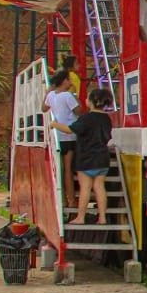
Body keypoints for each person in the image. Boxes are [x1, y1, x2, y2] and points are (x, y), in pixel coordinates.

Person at [52, 88, 114, 226]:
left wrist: (54, 124)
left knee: (85, 188)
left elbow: (70, 130)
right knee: (99, 187)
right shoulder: (106, 119)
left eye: (87, 98)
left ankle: (80, 217)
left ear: (92, 102)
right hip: (102, 159)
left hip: (86, 159)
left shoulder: (86, 118)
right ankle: (102, 217)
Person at [44, 69, 81, 209]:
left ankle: (63, 200)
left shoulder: (52, 95)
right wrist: (74, 95)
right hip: (69, 136)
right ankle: (71, 200)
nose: (70, 82)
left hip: (57, 136)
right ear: (64, 81)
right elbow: (79, 111)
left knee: (59, 169)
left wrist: (48, 91)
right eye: (69, 80)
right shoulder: (67, 96)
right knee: (68, 170)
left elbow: (44, 108)